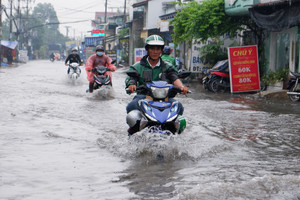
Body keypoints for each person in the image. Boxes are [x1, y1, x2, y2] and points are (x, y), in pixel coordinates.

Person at [125, 35, 189, 134]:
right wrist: (131, 85)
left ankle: (175, 132)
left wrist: (181, 87)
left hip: (165, 98)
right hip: (144, 96)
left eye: (158, 49)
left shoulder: (167, 66)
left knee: (179, 106)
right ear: (147, 49)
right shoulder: (137, 66)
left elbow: (174, 77)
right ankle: (133, 133)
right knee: (131, 105)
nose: (155, 52)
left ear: (161, 50)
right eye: (152, 48)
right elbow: (132, 78)